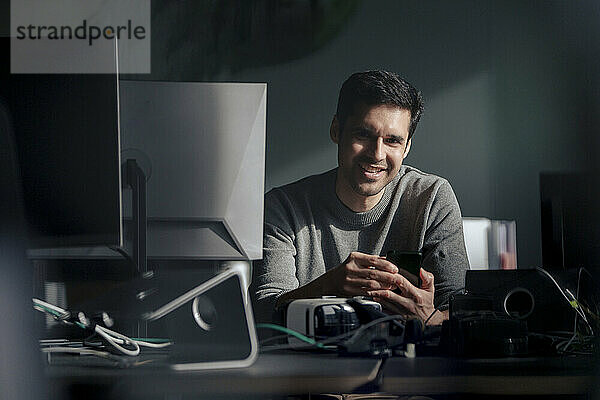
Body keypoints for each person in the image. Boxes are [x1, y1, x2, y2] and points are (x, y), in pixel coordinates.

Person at [252, 70, 469, 325]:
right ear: (336, 130)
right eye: (363, 135)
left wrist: (428, 319)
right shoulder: (284, 208)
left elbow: (464, 310)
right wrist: (330, 287)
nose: (377, 154)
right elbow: (263, 316)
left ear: (407, 146)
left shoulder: (431, 198)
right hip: (310, 363)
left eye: (392, 141)